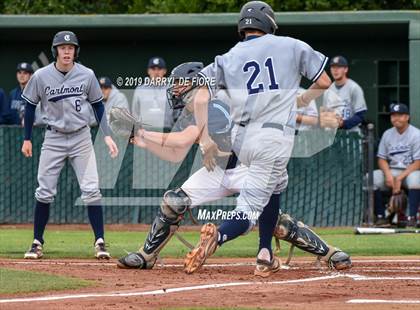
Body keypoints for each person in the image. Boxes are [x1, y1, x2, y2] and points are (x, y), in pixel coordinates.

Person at [117, 62, 351, 275]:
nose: (176, 89)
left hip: (247, 169)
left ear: (197, 84)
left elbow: (182, 140)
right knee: (173, 202)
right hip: (217, 172)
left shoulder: (216, 105)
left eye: (181, 84)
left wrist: (143, 132)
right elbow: (174, 153)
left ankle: (329, 252)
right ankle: (146, 256)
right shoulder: (192, 112)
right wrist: (141, 141)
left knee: (274, 224)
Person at [183, 1, 350, 276]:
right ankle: (218, 237)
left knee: (277, 183)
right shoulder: (291, 45)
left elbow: (199, 95)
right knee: (249, 210)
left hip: (241, 136)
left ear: (243, 27)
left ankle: (264, 253)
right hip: (273, 137)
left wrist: (205, 140)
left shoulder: (228, 56)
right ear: (269, 24)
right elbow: (323, 82)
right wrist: (302, 99)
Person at [21, 30, 119, 259]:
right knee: (44, 190)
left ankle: (100, 242)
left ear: (76, 51)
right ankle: (36, 242)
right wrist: (26, 138)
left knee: (92, 189)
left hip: (81, 137)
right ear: (55, 50)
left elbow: (98, 105)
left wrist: (106, 134)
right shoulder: (41, 76)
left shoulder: (86, 74)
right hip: (53, 137)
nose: (67, 51)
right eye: (63, 48)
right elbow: (29, 106)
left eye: (71, 48)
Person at [374, 103, 420, 226]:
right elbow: (381, 159)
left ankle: (412, 218)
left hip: (410, 171)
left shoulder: (416, 134)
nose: (396, 118)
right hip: (392, 170)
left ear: (407, 117)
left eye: (400, 115)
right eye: (393, 115)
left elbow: (418, 163)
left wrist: (399, 178)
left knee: (416, 179)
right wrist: (388, 175)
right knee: (372, 178)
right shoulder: (387, 134)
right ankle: (381, 217)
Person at [322, 56, 367, 133]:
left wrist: (343, 123)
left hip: (351, 135)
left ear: (346, 69)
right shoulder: (328, 91)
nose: (335, 70)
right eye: (333, 67)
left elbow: (361, 115)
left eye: (338, 67)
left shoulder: (354, 88)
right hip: (332, 135)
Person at [132, 57, 173, 130]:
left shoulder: (171, 89)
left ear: (165, 71)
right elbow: (135, 113)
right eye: (153, 69)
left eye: (159, 69)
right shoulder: (140, 89)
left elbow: (177, 112)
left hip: (167, 131)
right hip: (145, 131)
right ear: (148, 71)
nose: (156, 72)